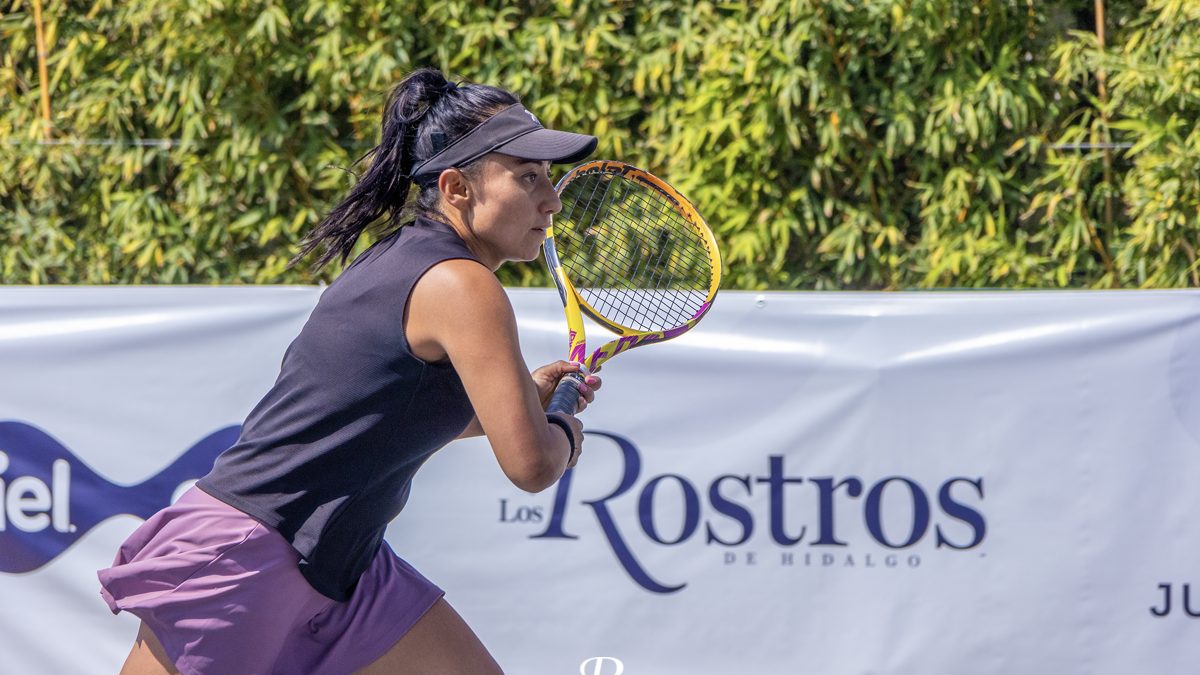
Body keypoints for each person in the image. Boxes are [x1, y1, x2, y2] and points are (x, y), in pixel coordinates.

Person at [98, 67, 602, 674]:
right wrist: (561, 425)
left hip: (343, 564)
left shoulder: (406, 258)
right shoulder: (462, 284)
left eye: (548, 175)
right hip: (246, 552)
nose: (552, 199)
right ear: (456, 188)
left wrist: (520, 402)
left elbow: (389, 414)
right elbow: (533, 466)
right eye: (526, 177)